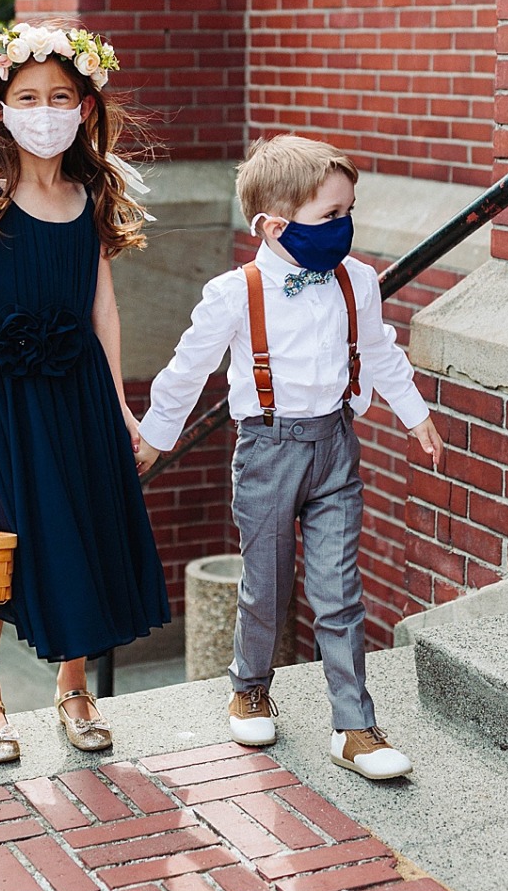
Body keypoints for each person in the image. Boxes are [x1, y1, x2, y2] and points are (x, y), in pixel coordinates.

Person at [136, 135, 443, 783]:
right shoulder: (236, 291)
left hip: (335, 445)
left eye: (348, 211)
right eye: (330, 215)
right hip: (267, 450)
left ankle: (354, 726)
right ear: (274, 225)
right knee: (267, 585)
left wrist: (416, 413)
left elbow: (380, 349)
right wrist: (159, 432)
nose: (345, 226)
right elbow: (189, 365)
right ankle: (248, 685)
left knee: (338, 592)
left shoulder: (356, 279)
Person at [0, 21, 168, 764]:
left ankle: (74, 687)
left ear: (85, 107)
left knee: (86, 529)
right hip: (8, 395)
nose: (44, 109)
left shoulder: (94, 189)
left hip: (81, 390)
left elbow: (104, 306)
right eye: (27, 95)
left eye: (60, 95)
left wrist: (121, 401)